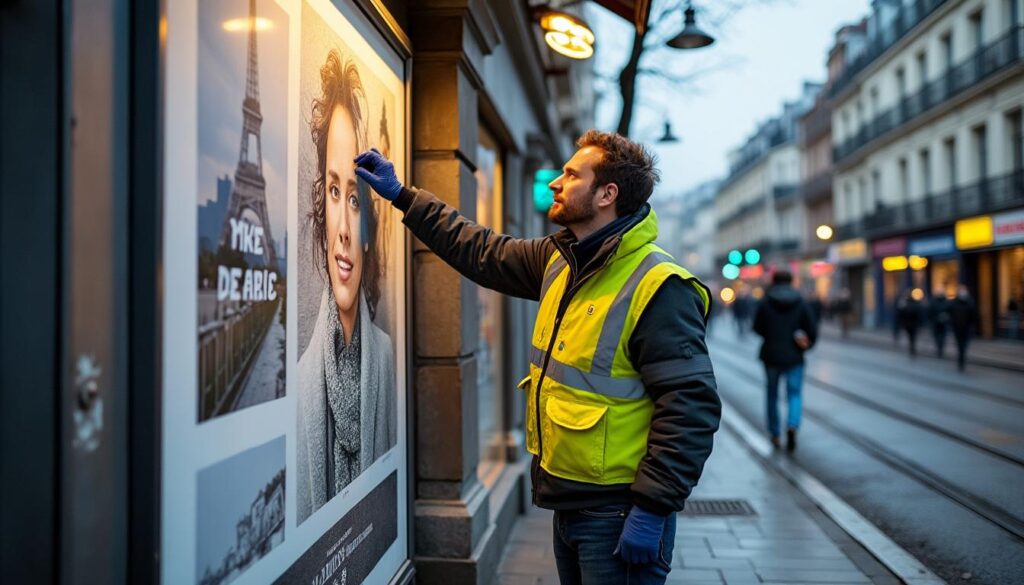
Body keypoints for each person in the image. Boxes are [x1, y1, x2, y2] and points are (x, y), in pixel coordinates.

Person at [354, 130, 721, 584]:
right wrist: (405, 198)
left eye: (571, 174)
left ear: (607, 194)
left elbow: (690, 405)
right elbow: (481, 250)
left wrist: (653, 507)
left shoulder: (660, 285)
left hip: (620, 510)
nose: (555, 182)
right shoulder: (561, 258)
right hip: (566, 503)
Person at [296, 50, 396, 524]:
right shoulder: (299, 387)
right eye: (334, 191)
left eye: (355, 198)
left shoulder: (389, 360)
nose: (341, 228)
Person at [752, 270, 817, 451]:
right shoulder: (800, 301)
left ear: (773, 282)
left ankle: (774, 434)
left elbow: (756, 327)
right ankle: (792, 425)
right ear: (791, 281)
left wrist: (771, 335)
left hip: (771, 356)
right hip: (794, 356)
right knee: (794, 394)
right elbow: (812, 330)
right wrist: (804, 344)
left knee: (772, 395)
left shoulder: (765, 302)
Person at [949, 285, 977, 372]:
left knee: (964, 346)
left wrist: (972, 326)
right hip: (957, 328)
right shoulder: (954, 302)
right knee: (960, 346)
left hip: (966, 328)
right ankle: (960, 360)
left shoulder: (970, 302)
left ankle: (962, 358)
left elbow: (973, 315)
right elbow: (950, 314)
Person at [897, 289, 924, 357]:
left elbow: (900, 315)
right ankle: (912, 348)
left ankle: (912, 348)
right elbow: (919, 314)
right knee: (913, 337)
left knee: (910, 337)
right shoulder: (915, 304)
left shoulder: (904, 304)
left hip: (908, 324)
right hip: (913, 324)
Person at [927, 290, 950, 359]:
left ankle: (940, 349)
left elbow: (949, 311)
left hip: (942, 323)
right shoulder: (934, 302)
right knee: (938, 337)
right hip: (936, 323)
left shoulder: (946, 302)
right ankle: (939, 349)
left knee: (941, 337)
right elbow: (930, 312)